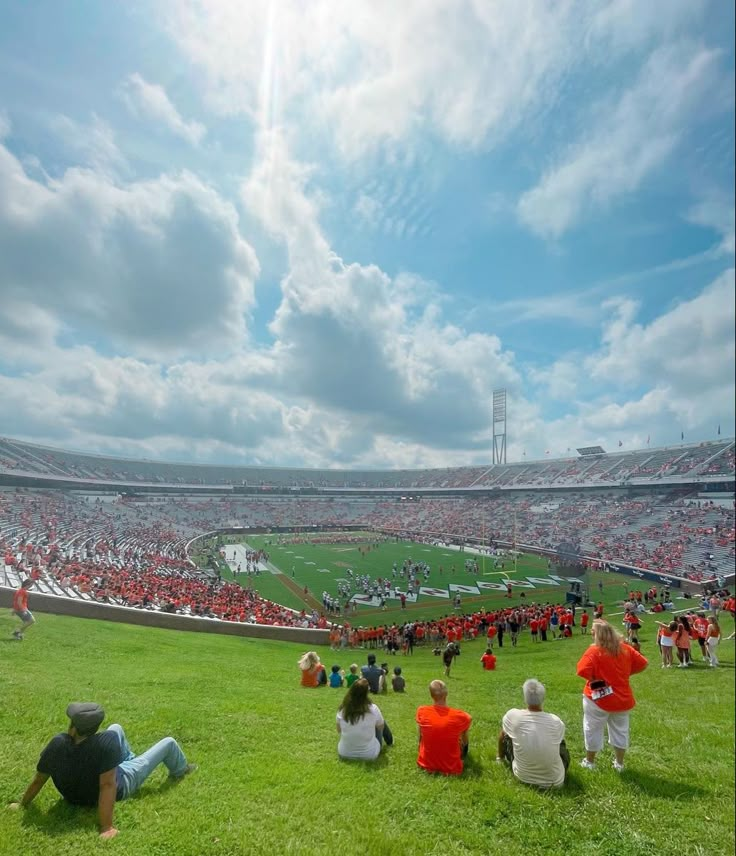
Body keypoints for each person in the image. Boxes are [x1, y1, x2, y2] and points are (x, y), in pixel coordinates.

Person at [9, 703, 195, 840]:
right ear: (95, 728)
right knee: (169, 742)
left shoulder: (58, 744)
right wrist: (106, 827)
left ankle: (129, 759)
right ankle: (181, 769)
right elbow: (107, 785)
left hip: (73, 795)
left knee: (116, 728)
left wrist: (22, 803)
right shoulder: (105, 744)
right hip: (124, 781)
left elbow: (39, 779)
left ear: (73, 729)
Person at [577, 620, 648, 773]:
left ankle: (590, 761)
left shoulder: (594, 651)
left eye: (592, 632)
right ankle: (619, 763)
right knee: (621, 730)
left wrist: (595, 678)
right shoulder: (625, 648)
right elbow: (643, 663)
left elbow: (582, 670)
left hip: (597, 698)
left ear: (597, 634)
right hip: (622, 697)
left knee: (592, 728)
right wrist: (626, 673)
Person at [497, 679, 569, 789]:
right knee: (560, 742)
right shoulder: (556, 721)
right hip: (555, 781)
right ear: (543, 699)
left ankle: (500, 758)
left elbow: (501, 737)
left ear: (525, 698)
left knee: (506, 734)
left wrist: (500, 757)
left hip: (522, 776)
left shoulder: (513, 716)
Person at [336, 679, 390, 760]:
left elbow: (339, 730)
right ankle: (390, 741)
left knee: (377, 721)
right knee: (380, 723)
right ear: (366, 693)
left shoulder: (342, 709)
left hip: (344, 753)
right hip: (370, 754)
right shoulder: (373, 708)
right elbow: (381, 728)